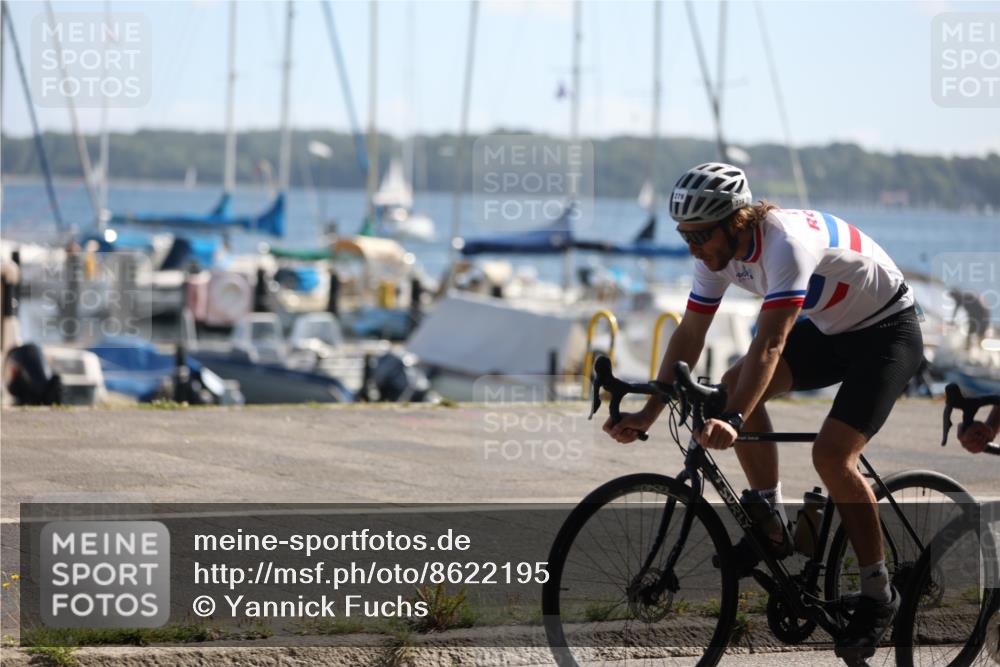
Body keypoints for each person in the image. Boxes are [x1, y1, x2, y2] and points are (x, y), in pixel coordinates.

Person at [604, 162, 924, 659]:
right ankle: (771, 524)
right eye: (685, 237)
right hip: (831, 331)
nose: (694, 248)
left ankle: (879, 593)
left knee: (832, 456)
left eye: (701, 236)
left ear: (736, 221)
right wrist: (648, 413)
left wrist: (732, 420)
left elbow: (771, 344)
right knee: (730, 387)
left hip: (886, 333)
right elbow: (690, 334)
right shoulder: (715, 255)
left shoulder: (784, 243)